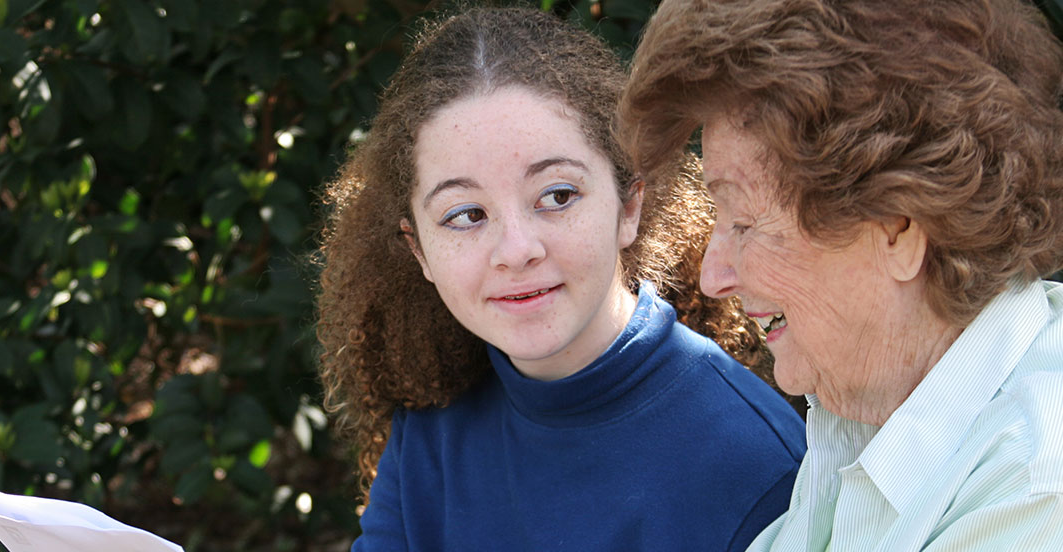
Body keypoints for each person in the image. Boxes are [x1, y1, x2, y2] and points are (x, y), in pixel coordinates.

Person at [619, 0, 1063, 550]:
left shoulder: (1052, 496)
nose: (712, 276)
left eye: (746, 223)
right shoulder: (878, 398)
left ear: (898, 229)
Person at [315, 7, 805, 551]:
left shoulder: (753, 465)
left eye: (557, 196)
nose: (517, 250)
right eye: (466, 215)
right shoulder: (431, 428)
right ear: (420, 251)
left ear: (629, 206)